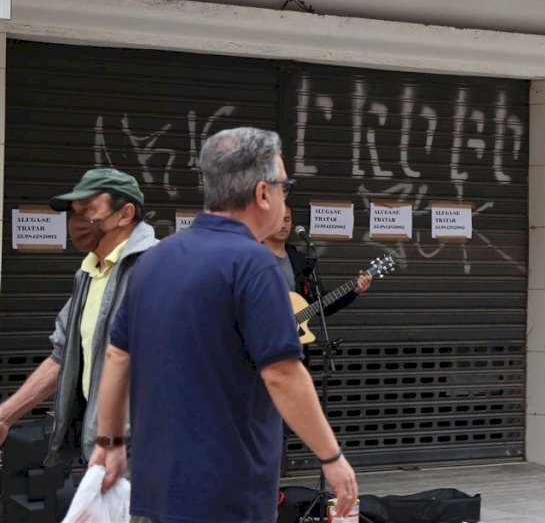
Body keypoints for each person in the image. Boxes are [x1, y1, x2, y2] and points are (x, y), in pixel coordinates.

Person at [89, 127, 357, 522]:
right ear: (264, 193)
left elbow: (116, 355)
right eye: (284, 185)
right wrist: (331, 457)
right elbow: (283, 373)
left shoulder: (153, 259)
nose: (285, 198)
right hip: (228, 492)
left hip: (155, 485)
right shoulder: (254, 264)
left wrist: (109, 442)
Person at [0, 168, 156, 465]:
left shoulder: (159, 267)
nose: (78, 221)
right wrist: (6, 416)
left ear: (125, 214)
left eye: (88, 210)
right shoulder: (89, 274)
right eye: (75, 212)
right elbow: (64, 356)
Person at [262, 205, 372, 316]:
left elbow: (321, 305)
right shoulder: (251, 257)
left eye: (287, 219)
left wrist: (353, 292)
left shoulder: (300, 261)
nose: (283, 225)